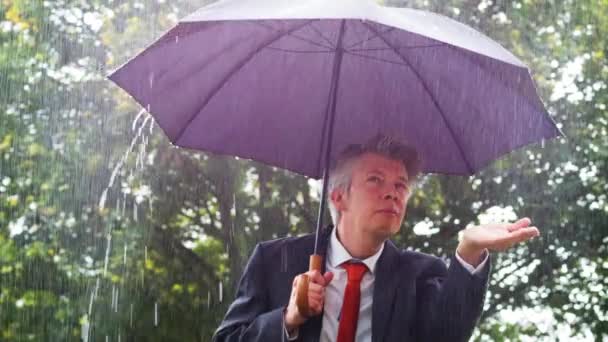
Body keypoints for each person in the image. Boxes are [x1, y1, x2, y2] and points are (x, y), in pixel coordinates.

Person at [212, 135, 540, 342]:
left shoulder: (420, 273)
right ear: (339, 197)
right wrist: (289, 318)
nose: (392, 194)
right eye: (375, 180)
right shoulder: (273, 260)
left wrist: (469, 250)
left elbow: (447, 335)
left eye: (400, 185)